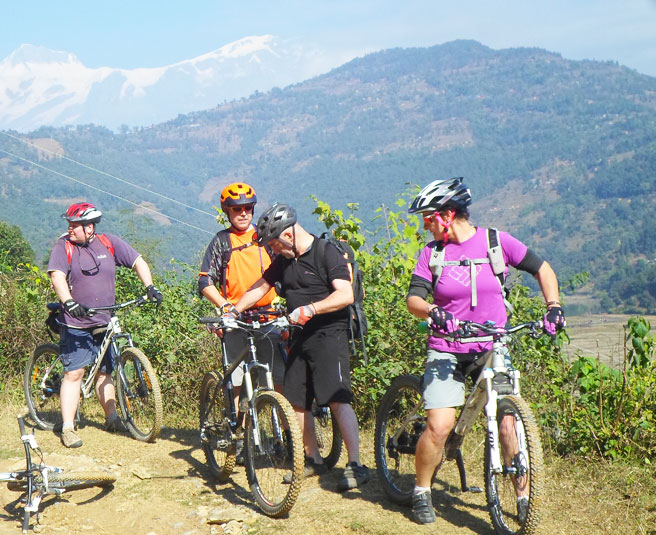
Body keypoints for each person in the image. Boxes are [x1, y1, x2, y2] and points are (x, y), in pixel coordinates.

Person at [404, 177, 565, 524]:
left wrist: (553, 305)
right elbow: (414, 299)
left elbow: (543, 268)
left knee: (508, 423)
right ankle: (421, 490)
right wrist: (433, 311)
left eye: (428, 218)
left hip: (491, 346)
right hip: (447, 348)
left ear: (447, 215)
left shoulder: (496, 242)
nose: (425, 225)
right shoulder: (432, 254)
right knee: (440, 426)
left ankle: (522, 498)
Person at [234, 203, 371, 491]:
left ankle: (357, 464)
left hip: (329, 334)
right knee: (296, 400)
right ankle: (313, 458)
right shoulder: (285, 260)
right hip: (298, 335)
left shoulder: (326, 252)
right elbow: (260, 286)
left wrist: (310, 309)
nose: (273, 249)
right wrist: (232, 311)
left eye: (274, 242)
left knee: (337, 398)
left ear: (289, 234)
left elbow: (345, 295)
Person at [47, 202, 163, 448]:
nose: (70, 229)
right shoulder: (63, 246)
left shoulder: (108, 243)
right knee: (74, 373)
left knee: (105, 372)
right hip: (77, 322)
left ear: (90, 227)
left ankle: (112, 419)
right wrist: (68, 301)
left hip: (104, 319)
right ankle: (68, 428)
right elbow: (57, 276)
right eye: (69, 225)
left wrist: (150, 286)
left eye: (75, 226)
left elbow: (138, 261)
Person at [197, 182, 285, 462]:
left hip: (269, 315)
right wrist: (223, 305)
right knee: (237, 381)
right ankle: (237, 434)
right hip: (236, 318)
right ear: (227, 211)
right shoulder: (222, 241)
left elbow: (283, 270)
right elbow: (204, 281)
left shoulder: (265, 237)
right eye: (237, 209)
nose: (243, 213)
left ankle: (287, 435)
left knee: (279, 378)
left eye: (248, 208)